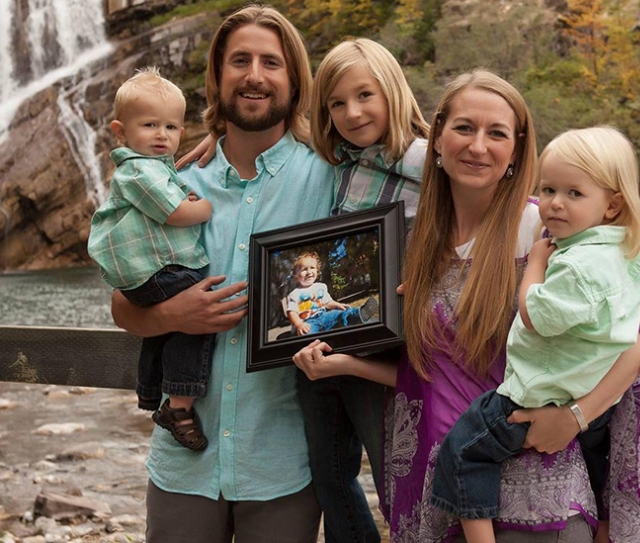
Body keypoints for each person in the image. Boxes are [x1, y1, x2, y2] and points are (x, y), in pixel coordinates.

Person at [295, 69, 640, 542]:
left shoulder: (548, 233)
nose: (478, 146)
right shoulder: (415, 244)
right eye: (464, 128)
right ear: (437, 138)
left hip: (538, 498)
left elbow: (636, 342)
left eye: (496, 133)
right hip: (445, 495)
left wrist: (574, 417)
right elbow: (437, 376)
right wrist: (346, 365)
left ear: (516, 150)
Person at [181, 36, 430, 542]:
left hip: (390, 353)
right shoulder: (336, 160)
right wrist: (219, 133)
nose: (352, 113)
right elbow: (272, 136)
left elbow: (496, 202)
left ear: (393, 91)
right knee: (330, 475)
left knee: (400, 478)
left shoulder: (432, 162)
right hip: (318, 355)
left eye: (365, 95)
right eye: (337, 103)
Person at [109, 6, 335, 541]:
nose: (254, 75)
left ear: (294, 80)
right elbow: (122, 306)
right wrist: (173, 314)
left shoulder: (329, 176)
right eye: (240, 61)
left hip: (283, 460)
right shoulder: (173, 184)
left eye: (270, 63)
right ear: (217, 76)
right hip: (184, 463)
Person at [429, 126, 640, 543]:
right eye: (548, 189)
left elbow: (535, 316)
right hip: (596, 398)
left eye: (574, 193)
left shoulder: (572, 265)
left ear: (612, 205)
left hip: (539, 392)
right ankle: (606, 526)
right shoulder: (634, 247)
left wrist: (535, 264)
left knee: (462, 450)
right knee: (598, 457)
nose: (554, 203)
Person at [88, 67, 214, 452]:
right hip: (154, 272)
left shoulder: (155, 168)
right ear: (120, 132)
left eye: (171, 127)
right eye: (149, 125)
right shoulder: (139, 170)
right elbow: (175, 213)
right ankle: (179, 405)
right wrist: (206, 207)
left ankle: (150, 392)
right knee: (201, 313)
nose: (162, 135)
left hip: (145, 273)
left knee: (167, 328)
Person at [286, 250, 377, 335]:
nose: (309, 272)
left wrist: (338, 305)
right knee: (306, 333)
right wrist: (299, 324)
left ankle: (359, 314)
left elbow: (327, 302)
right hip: (308, 322)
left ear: (317, 271)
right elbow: (291, 312)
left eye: (312, 268)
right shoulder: (295, 294)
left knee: (340, 314)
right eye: (304, 269)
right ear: (296, 276)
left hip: (324, 316)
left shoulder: (320, 287)